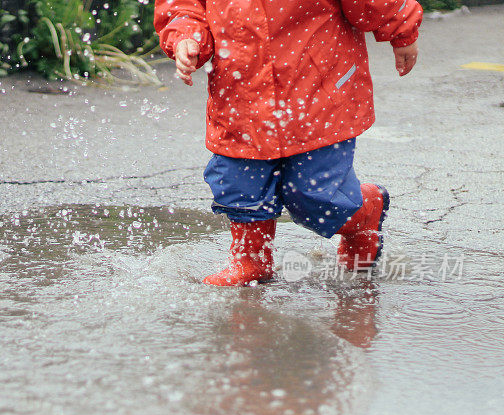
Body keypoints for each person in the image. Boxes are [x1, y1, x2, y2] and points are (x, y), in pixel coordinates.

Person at [154, 0, 422, 286]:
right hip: (241, 91)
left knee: (317, 196)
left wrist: (401, 27)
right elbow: (185, 6)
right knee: (239, 182)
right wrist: (186, 36)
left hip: (317, 89)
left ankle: (365, 212)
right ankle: (251, 258)